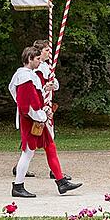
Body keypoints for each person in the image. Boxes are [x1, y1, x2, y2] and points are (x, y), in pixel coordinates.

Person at [8, 46, 82, 198]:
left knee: (49, 145)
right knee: (27, 153)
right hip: (32, 121)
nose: (38, 61)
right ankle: (18, 186)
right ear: (29, 59)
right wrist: (40, 116)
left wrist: (43, 109)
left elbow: (30, 96)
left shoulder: (27, 75)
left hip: (36, 117)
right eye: (36, 59)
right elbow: (26, 104)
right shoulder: (24, 77)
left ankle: (61, 182)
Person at [32, 39, 71, 180]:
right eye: (47, 50)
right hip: (39, 107)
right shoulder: (35, 69)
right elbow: (34, 90)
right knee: (36, 140)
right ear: (39, 51)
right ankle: (55, 172)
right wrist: (45, 88)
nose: (50, 52)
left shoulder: (48, 67)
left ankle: (54, 170)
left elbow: (56, 85)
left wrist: (53, 84)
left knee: (47, 138)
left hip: (47, 105)